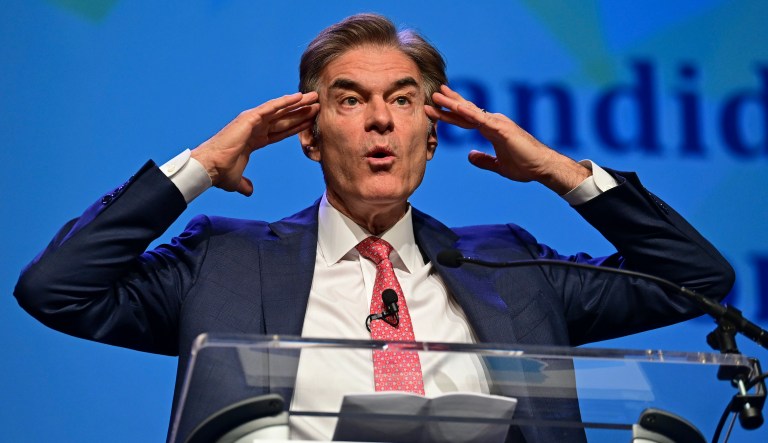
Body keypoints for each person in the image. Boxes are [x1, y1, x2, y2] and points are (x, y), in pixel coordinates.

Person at [14, 13, 733, 443]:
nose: (381, 119)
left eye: (404, 100)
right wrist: (203, 163)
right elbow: (58, 289)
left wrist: (556, 169)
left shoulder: (508, 262)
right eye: (350, 100)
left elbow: (696, 279)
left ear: (431, 133)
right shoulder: (222, 260)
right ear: (307, 132)